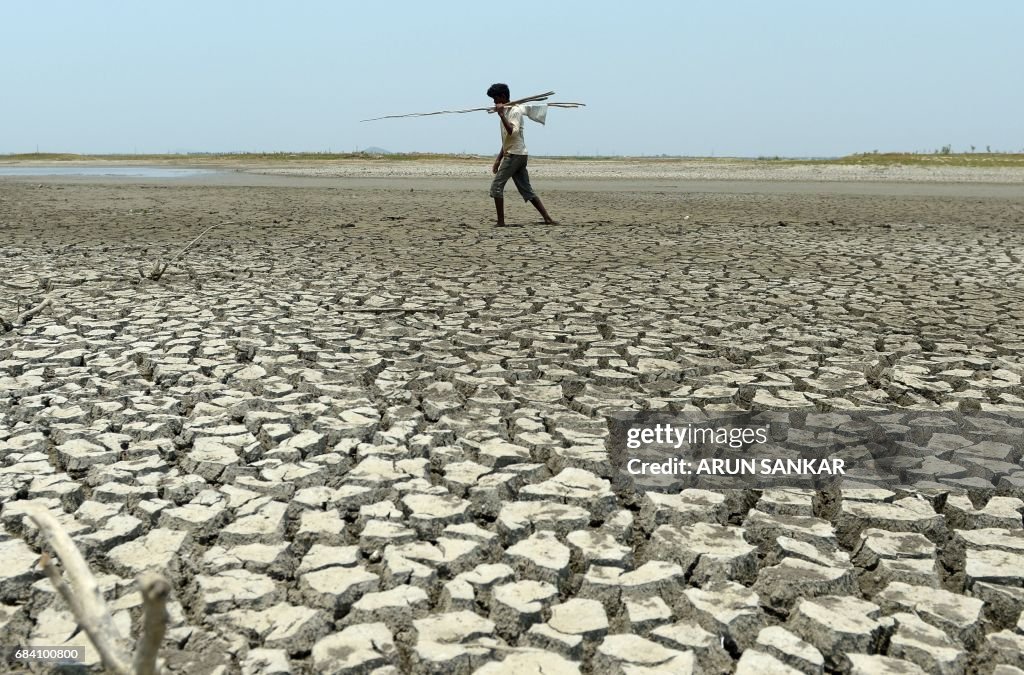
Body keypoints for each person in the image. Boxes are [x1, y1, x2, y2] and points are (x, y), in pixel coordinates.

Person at [486, 83, 556, 227]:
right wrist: (498, 159)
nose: (494, 102)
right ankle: (547, 218)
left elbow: (512, 131)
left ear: (503, 97)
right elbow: (507, 139)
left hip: (515, 155)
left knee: (496, 187)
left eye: (496, 98)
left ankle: (501, 222)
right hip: (516, 153)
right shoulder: (506, 111)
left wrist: (500, 115)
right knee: (527, 190)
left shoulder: (515, 111)